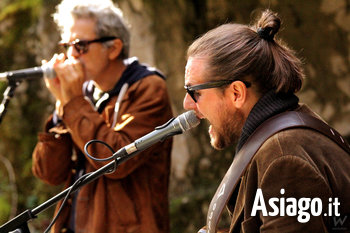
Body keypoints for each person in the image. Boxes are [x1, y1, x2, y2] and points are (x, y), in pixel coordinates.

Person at [183, 9, 350, 232]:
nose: (187, 103)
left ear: (236, 93)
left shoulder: (283, 158)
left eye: (195, 92)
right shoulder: (287, 133)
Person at [31, 0, 173, 232]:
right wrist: (61, 105)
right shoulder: (82, 93)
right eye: (67, 45)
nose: (71, 56)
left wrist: (73, 103)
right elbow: (49, 173)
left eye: (80, 46)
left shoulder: (148, 88)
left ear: (114, 48)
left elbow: (114, 161)